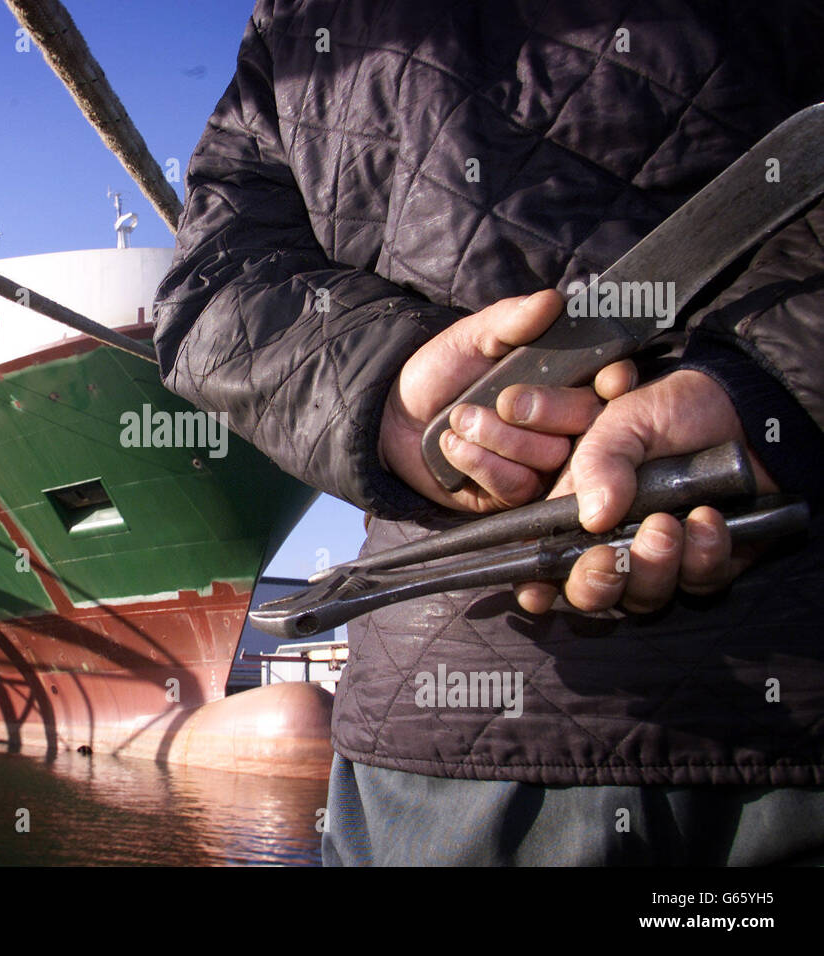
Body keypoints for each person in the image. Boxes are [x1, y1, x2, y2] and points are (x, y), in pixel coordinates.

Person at [154, 0, 824, 865]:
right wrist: (393, 395)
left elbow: (216, 283)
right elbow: (213, 286)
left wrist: (771, 399)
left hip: (442, 749)